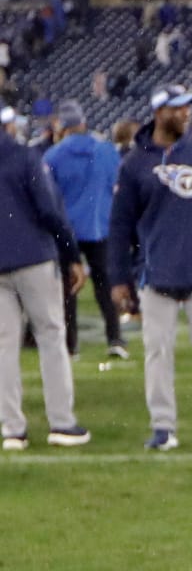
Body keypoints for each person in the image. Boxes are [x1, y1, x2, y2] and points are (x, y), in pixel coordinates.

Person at [108, 85, 192, 451]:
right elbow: (120, 226)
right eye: (178, 108)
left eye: (189, 108)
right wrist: (119, 278)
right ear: (159, 112)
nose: (187, 114)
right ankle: (163, 426)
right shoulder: (135, 163)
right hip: (156, 275)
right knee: (158, 352)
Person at [0, 106, 91, 450]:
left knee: (4, 346)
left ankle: (12, 430)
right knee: (51, 336)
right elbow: (50, 210)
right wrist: (72, 256)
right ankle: (62, 423)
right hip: (34, 257)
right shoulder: (24, 156)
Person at [44, 100, 126, 359]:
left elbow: (48, 196)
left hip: (65, 231)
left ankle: (70, 346)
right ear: (83, 122)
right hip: (100, 225)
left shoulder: (54, 155)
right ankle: (115, 339)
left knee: (69, 288)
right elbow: (116, 184)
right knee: (105, 285)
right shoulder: (106, 149)